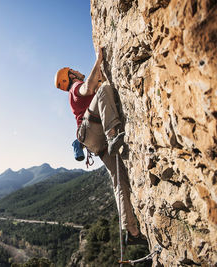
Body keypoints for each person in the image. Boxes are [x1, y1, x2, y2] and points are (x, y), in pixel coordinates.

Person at [54, 47, 145, 244]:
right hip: (95, 133)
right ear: (70, 76)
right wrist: (99, 59)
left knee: (119, 181)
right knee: (104, 89)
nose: (77, 70)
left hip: (96, 143)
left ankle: (131, 231)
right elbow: (89, 86)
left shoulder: (74, 94)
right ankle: (113, 134)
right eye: (73, 70)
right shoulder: (75, 87)